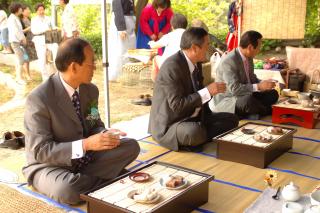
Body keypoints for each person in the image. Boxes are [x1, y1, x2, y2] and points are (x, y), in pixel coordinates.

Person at [23, 38, 140, 204]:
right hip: (49, 166)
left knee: (131, 146)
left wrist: (104, 134)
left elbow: (94, 123)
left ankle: (92, 182)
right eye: (91, 64)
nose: (95, 68)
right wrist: (86, 145)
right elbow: (41, 151)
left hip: (86, 161)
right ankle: (111, 177)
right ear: (74, 66)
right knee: (67, 190)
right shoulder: (39, 98)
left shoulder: (90, 90)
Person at [149, 27, 239, 152]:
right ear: (195, 48)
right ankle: (196, 136)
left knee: (232, 119)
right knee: (193, 131)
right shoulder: (172, 66)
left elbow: (199, 92)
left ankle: (197, 138)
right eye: (207, 45)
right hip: (172, 123)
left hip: (194, 116)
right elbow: (177, 105)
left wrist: (212, 91)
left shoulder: (196, 62)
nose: (208, 48)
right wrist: (208, 91)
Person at [211, 30, 279, 119]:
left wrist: (265, 84)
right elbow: (235, 89)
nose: (259, 50)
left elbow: (252, 79)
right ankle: (267, 110)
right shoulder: (229, 61)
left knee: (273, 94)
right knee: (248, 101)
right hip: (229, 99)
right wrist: (259, 86)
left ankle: (254, 111)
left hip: (246, 93)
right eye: (258, 47)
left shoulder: (249, 57)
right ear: (250, 47)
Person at [148, 13, 187, 81]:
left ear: (172, 26)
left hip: (170, 65)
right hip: (185, 65)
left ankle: (157, 82)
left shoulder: (169, 35)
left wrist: (151, 43)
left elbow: (154, 46)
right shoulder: (189, 35)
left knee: (156, 58)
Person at [108, 0, 136, 81]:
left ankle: (127, 74)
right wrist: (121, 29)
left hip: (129, 22)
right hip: (121, 24)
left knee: (129, 50)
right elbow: (117, 10)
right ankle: (117, 75)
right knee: (120, 50)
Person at [31, 3, 58, 81]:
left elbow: (53, 26)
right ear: (36, 11)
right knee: (42, 58)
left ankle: (58, 70)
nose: (41, 11)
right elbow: (34, 31)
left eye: (42, 9)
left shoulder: (48, 18)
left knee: (56, 47)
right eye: (39, 10)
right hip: (39, 39)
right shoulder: (34, 19)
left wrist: (57, 28)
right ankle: (45, 78)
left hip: (49, 37)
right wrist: (44, 30)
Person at [7, 2, 28, 85]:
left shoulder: (15, 17)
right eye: (20, 8)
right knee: (21, 60)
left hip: (16, 41)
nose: (21, 9)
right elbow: (16, 31)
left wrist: (22, 37)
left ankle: (18, 77)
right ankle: (19, 79)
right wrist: (23, 39)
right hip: (15, 41)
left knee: (19, 60)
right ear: (16, 9)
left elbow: (19, 30)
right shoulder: (12, 18)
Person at [20, 4, 37, 81]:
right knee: (25, 59)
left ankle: (27, 74)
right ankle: (27, 75)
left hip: (30, 42)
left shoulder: (30, 19)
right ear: (22, 12)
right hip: (24, 42)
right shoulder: (20, 21)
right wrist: (29, 28)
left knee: (28, 59)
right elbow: (20, 32)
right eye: (27, 10)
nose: (29, 11)